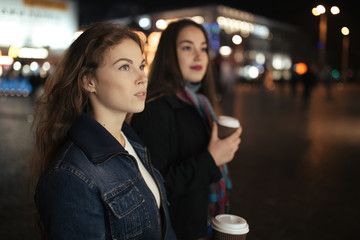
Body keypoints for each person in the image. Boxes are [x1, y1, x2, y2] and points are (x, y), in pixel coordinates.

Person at [29, 22, 176, 239]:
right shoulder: (71, 176)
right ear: (89, 81)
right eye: (125, 67)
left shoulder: (132, 142)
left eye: (141, 66)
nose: (142, 77)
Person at [130, 19, 242, 240]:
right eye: (187, 47)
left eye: (203, 48)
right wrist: (211, 159)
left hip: (205, 225)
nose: (199, 56)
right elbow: (151, 189)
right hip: (176, 231)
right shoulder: (154, 109)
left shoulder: (202, 104)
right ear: (169, 54)